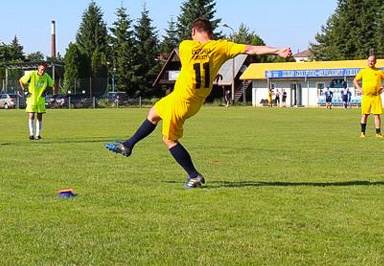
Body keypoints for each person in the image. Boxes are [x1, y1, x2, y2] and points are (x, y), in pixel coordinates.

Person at [105, 18, 292, 188]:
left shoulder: (186, 46)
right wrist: (278, 51)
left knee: (169, 139)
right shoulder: (221, 47)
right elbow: (252, 49)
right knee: (154, 113)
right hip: (193, 100)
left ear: (194, 31)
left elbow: (194, 65)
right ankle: (128, 145)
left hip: (181, 100)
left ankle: (194, 176)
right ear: (210, 33)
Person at [354, 54, 384, 138]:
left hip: (375, 96)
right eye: (369, 61)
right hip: (366, 96)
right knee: (364, 114)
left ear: (375, 62)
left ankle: (378, 133)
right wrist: (359, 88)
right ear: (367, 62)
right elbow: (355, 80)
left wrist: (383, 89)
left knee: (376, 115)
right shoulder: (363, 71)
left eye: (372, 61)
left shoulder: (379, 72)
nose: (371, 62)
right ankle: (362, 133)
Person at [19, 61, 54, 140]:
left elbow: (51, 85)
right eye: (41, 69)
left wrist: (46, 91)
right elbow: (21, 81)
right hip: (31, 99)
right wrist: (25, 90)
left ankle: (38, 135)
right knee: (31, 115)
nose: (43, 71)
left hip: (40, 100)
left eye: (44, 70)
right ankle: (31, 134)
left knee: (39, 116)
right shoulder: (32, 74)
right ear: (38, 68)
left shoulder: (46, 76)